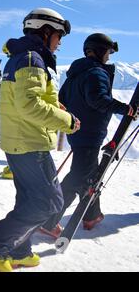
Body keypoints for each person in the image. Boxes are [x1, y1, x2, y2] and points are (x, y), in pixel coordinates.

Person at [0, 8, 80, 272]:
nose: (60, 42)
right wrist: (66, 122)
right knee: (49, 202)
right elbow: (29, 105)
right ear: (45, 32)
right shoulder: (32, 59)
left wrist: (57, 107)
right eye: (58, 35)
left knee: (30, 199)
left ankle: (20, 250)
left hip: (21, 140)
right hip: (29, 142)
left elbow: (28, 99)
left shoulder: (26, 57)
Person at [40, 33, 137, 237]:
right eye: (108, 51)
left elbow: (62, 99)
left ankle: (92, 214)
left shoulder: (75, 74)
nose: (109, 56)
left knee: (91, 176)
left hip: (77, 133)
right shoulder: (96, 73)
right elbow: (98, 100)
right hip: (89, 135)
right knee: (78, 178)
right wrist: (125, 109)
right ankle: (50, 221)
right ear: (99, 50)